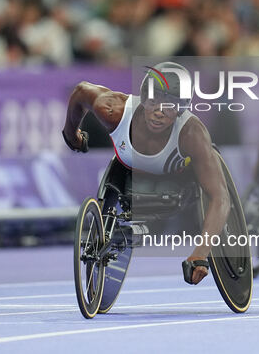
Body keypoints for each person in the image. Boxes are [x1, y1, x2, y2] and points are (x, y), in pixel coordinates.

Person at [62, 61, 231, 285]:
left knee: (209, 172)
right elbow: (81, 91)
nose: (159, 112)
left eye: (169, 105)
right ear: (143, 97)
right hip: (128, 171)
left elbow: (220, 197)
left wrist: (200, 254)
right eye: (153, 101)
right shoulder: (114, 110)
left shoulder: (192, 133)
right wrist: (71, 134)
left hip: (177, 181)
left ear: (181, 108)